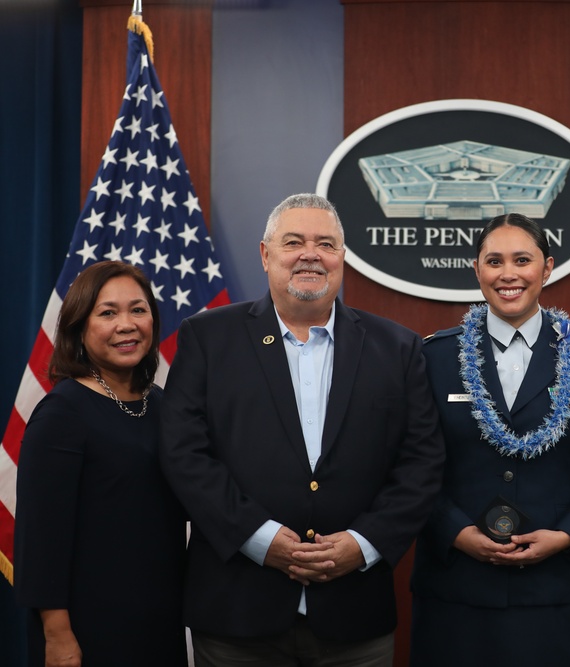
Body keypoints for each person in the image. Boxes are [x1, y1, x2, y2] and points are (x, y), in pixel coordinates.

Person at [159, 193, 445, 666]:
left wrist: (365, 543)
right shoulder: (207, 338)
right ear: (265, 254)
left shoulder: (398, 348)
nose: (311, 253)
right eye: (294, 242)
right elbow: (184, 453)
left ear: (342, 258)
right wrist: (258, 537)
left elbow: (422, 462)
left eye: (326, 243)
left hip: (356, 616)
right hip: (237, 614)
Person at [409, 213, 570, 666]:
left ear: (547, 268)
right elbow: (412, 466)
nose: (508, 274)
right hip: (457, 591)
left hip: (557, 593)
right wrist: (456, 533)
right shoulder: (434, 357)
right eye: (494, 261)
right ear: (477, 269)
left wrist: (569, 535)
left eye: (522, 260)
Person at [15, 260, 186, 666]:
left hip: (161, 619)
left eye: (138, 310)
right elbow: (40, 539)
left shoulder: (163, 405)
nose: (126, 324)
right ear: (79, 327)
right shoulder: (62, 413)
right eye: (107, 313)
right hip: (88, 627)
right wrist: (57, 635)